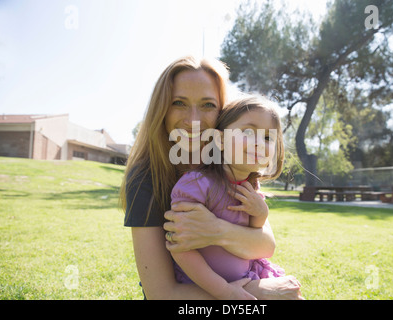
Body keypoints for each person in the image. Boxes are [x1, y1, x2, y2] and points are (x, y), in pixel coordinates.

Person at [120, 55, 302, 299]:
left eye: (207, 105)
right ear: (161, 109)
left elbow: (265, 245)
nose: (193, 120)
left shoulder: (232, 166)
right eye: (179, 103)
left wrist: (216, 230)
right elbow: (161, 294)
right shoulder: (146, 178)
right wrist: (255, 292)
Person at [169, 95, 303, 300]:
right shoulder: (197, 183)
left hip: (248, 277)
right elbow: (179, 247)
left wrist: (260, 213)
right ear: (220, 140)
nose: (259, 143)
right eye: (248, 132)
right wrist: (223, 290)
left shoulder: (251, 187)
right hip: (203, 286)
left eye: (268, 137)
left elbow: (257, 240)